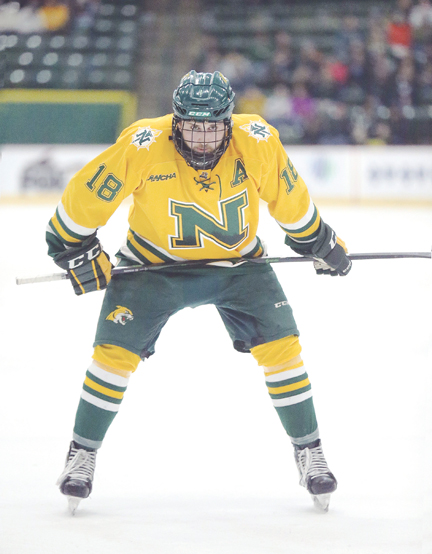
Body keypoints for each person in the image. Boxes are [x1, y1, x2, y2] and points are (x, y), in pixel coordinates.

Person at [48, 70, 352, 515]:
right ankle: (82, 453)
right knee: (113, 355)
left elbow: (290, 200)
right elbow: (83, 199)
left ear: (229, 122)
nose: (203, 139)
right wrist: (73, 249)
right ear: (176, 122)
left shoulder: (257, 140)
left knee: (283, 347)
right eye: (192, 126)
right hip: (153, 266)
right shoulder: (143, 144)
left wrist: (320, 243)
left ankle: (310, 451)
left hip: (238, 266)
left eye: (212, 127)